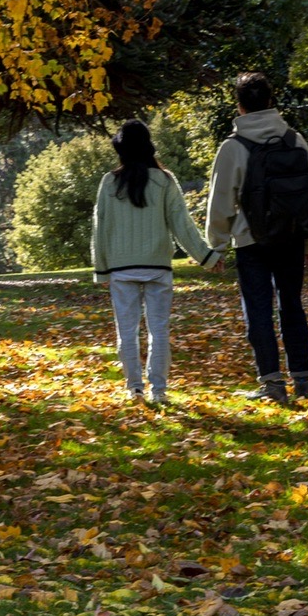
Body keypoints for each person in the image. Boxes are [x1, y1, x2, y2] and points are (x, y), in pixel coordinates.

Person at [205, 72, 308, 404]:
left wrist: (218, 246)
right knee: (292, 306)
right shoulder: (295, 140)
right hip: (291, 238)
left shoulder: (233, 147)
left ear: (239, 106)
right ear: (271, 102)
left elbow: (221, 201)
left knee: (258, 310)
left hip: (251, 241)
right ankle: (303, 381)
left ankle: (272, 384)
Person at [91, 119, 216, 406]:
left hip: (122, 270)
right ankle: (158, 389)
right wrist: (206, 256)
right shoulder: (165, 180)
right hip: (158, 267)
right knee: (159, 331)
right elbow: (182, 225)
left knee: (127, 331)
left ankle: (134, 387)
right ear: (149, 147)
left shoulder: (109, 182)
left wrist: (102, 270)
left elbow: (100, 228)